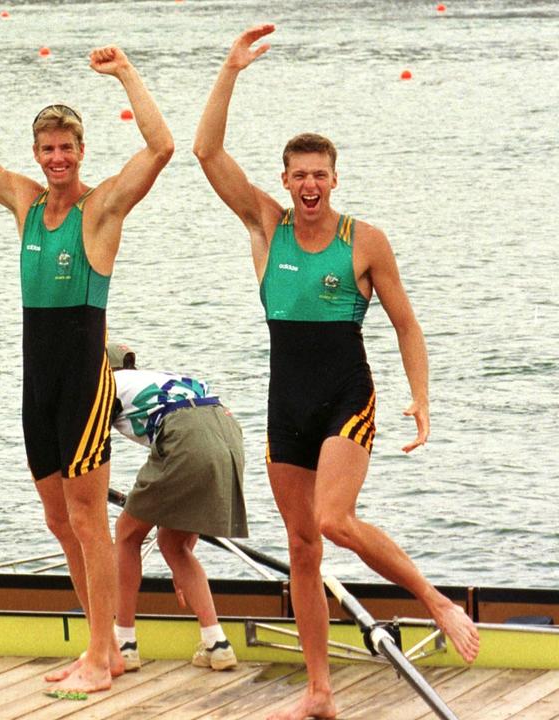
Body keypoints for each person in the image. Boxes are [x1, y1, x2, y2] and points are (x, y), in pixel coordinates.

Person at [192, 24, 479, 720]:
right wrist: (230, 68)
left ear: (334, 178)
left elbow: (406, 324)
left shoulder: (364, 241)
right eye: (299, 175)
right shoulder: (267, 226)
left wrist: (421, 401)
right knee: (302, 547)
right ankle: (319, 693)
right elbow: (205, 151)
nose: (310, 184)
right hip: (284, 402)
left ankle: (434, 601)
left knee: (334, 518)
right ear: (286, 182)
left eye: (320, 174)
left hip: (346, 395)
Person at [0, 39, 173, 695]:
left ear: (80, 150)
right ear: (37, 155)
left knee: (86, 515)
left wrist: (127, 72)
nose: (57, 158)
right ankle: (100, 646)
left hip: (83, 379)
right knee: (57, 518)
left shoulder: (100, 209)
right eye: (47, 149)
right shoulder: (25, 202)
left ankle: (105, 655)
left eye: (66, 148)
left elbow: (160, 149)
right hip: (37, 379)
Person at [105, 341, 247, 674]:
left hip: (185, 436)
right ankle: (218, 644)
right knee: (174, 545)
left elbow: (91, 451)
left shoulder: (106, 387)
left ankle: (124, 644)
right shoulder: (158, 378)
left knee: (126, 534)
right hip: (228, 435)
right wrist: (180, 559)